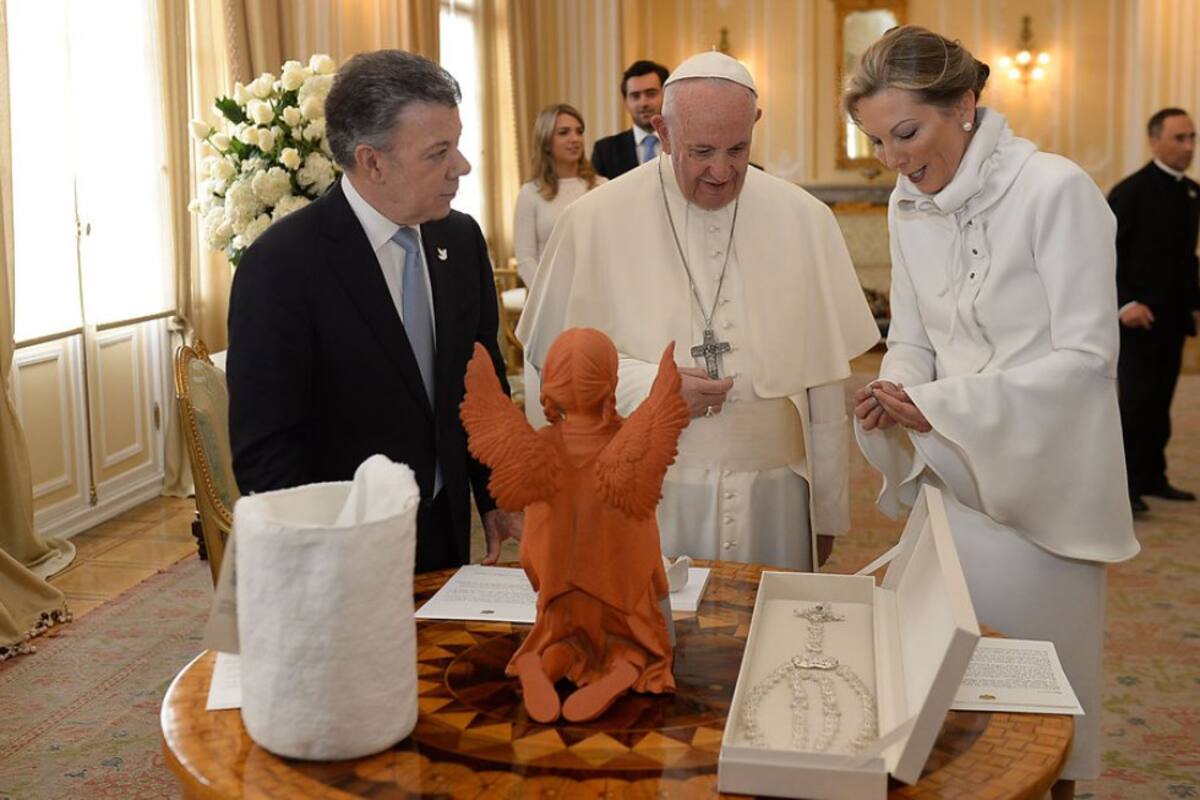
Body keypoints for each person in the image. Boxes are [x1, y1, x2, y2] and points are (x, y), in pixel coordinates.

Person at [844, 26, 1140, 797]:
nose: (896, 161)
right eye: (877, 142)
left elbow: (1086, 360)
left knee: (1043, 710)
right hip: (951, 487)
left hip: (1044, 491)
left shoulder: (1056, 190)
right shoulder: (908, 206)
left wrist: (939, 404)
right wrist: (895, 389)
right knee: (955, 711)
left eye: (906, 133)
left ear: (966, 105)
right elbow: (910, 339)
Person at [519, 51, 879, 572]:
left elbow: (824, 389)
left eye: (738, 149)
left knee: (766, 638)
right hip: (645, 492)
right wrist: (651, 386)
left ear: (755, 124)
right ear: (661, 131)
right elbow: (550, 364)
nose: (721, 172)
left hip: (775, 499)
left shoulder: (805, 219)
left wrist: (825, 515)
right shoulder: (592, 220)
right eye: (702, 150)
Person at [227, 50, 522, 573]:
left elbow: (482, 385)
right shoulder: (282, 264)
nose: (463, 166)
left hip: (444, 531)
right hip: (340, 548)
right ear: (372, 161)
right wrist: (321, 557)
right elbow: (267, 447)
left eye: (457, 145)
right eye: (439, 153)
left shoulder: (460, 239)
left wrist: (494, 492)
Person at [460, 330, 688, 723]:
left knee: (561, 644)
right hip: (617, 595)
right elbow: (642, 538)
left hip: (560, 593)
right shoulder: (630, 441)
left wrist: (541, 580)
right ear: (610, 383)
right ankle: (621, 673)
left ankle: (541, 665)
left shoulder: (538, 446)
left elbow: (535, 538)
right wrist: (659, 588)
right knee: (631, 651)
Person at [1108, 108, 1199, 514]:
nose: (1188, 147)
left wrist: (1195, 304)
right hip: (1135, 321)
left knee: (1161, 402)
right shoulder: (1130, 192)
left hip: (1172, 319)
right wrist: (1125, 303)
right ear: (1154, 140)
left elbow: (1186, 259)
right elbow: (1103, 255)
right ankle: (1122, 485)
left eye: (1192, 138)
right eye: (1179, 138)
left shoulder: (1191, 193)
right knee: (1135, 404)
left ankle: (1152, 476)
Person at [513, 104, 606, 424]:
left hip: (594, 309)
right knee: (552, 410)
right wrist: (553, 297)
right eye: (564, 132)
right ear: (545, 140)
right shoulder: (531, 194)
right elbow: (525, 256)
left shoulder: (601, 187)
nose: (575, 139)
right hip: (546, 313)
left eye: (579, 131)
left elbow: (606, 251)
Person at [590, 60, 669, 179]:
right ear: (625, 102)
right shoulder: (605, 151)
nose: (643, 103)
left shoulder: (684, 143)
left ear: (667, 95)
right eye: (635, 96)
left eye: (651, 94)